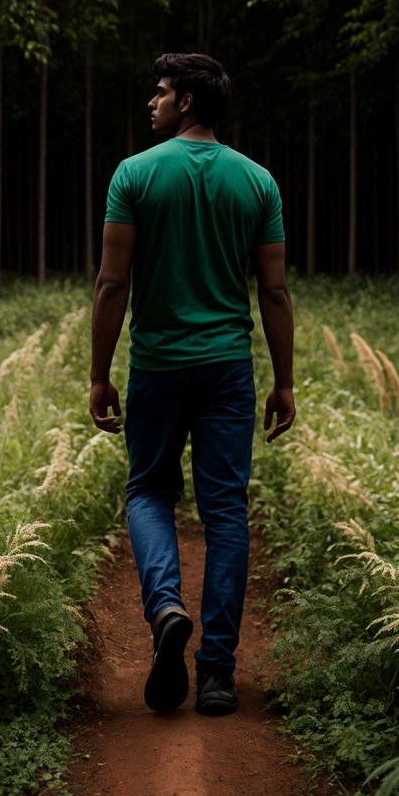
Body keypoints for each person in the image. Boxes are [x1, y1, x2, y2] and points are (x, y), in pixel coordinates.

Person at [88, 52, 295, 716]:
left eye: (161, 92)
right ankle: (216, 675)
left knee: (148, 489)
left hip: (156, 365)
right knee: (226, 511)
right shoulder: (258, 182)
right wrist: (284, 381)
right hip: (228, 370)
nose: (152, 101)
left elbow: (112, 282)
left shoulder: (134, 176)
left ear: (187, 103)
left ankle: (167, 605)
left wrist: (98, 374)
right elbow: (276, 290)